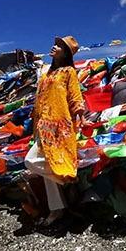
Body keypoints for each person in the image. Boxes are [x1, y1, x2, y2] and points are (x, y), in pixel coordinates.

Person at [24, 35, 85, 225]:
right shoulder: (46, 75)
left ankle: (59, 202)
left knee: (32, 161)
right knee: (35, 162)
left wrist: (79, 112)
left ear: (66, 53)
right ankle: (59, 201)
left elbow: (75, 96)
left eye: (59, 46)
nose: (54, 47)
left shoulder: (68, 72)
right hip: (43, 125)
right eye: (55, 44)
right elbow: (40, 99)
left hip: (60, 125)